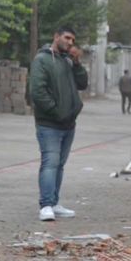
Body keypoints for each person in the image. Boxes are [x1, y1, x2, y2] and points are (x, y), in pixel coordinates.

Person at [29, 26, 88, 222]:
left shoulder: (67, 61)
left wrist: (77, 63)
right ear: (56, 37)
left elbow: (83, 84)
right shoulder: (42, 60)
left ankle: (54, 202)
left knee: (59, 165)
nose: (70, 42)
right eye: (67, 38)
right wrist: (57, 112)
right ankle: (45, 205)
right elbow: (37, 92)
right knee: (50, 163)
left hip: (68, 124)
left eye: (73, 39)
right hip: (49, 124)